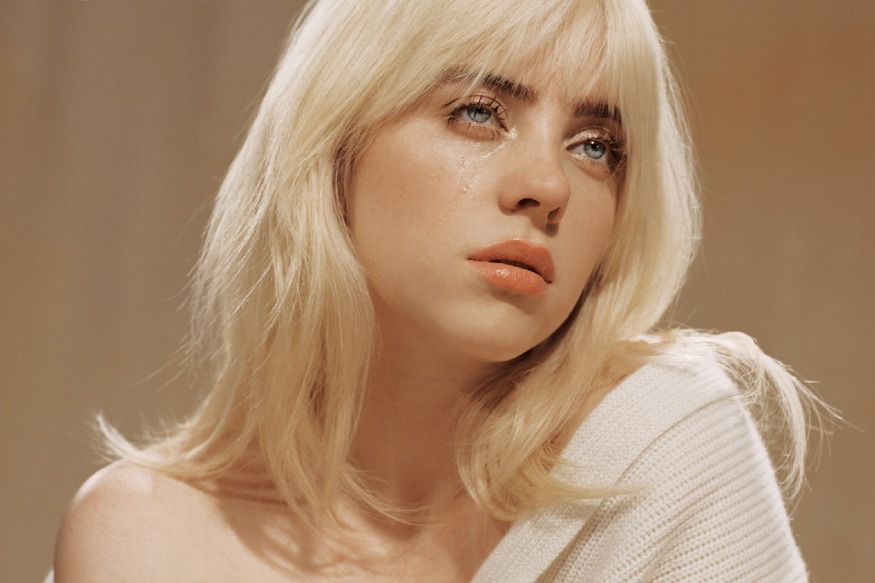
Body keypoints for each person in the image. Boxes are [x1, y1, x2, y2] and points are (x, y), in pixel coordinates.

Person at [49, 0, 828, 581]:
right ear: (336, 143)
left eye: (595, 147)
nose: (548, 184)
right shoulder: (140, 540)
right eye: (479, 112)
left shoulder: (660, 448)